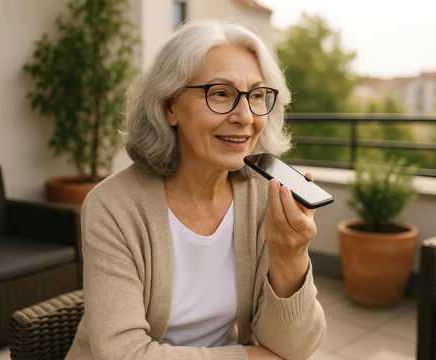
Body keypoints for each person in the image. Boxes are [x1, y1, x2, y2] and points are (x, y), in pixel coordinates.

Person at [66, 19, 325, 360]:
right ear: (170, 106)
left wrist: (289, 256)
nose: (245, 116)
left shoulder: (264, 197)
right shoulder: (113, 206)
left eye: (257, 95)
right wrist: (249, 357)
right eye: (221, 93)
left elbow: (294, 349)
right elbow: (121, 353)